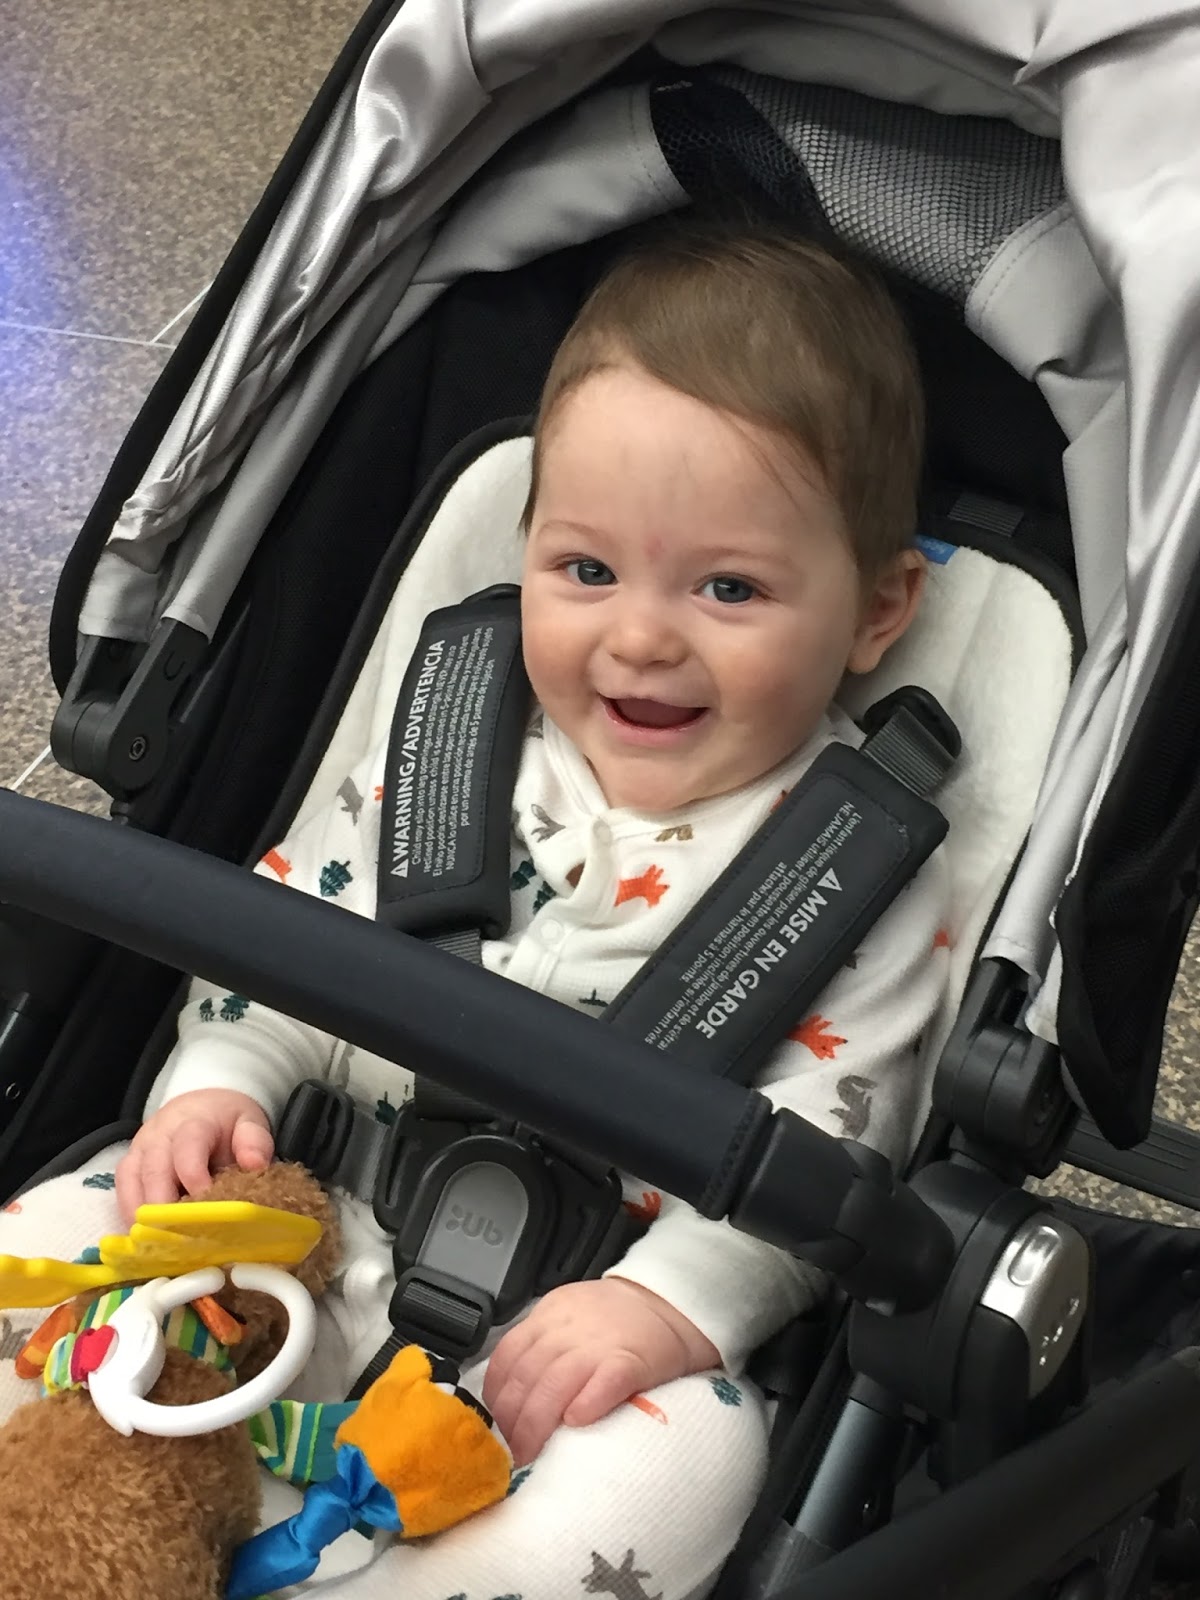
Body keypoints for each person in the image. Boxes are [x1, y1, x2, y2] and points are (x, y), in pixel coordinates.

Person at [0, 224, 949, 1599]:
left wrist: (670, 1306)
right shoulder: (449, 736)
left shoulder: (855, 865)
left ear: (877, 609)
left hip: (578, 1321)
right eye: (586, 571)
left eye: (729, 589)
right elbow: (282, 953)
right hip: (307, 1223)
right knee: (50, 1241)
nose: (640, 637)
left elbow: (834, 1156)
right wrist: (220, 1086)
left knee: (698, 1455)